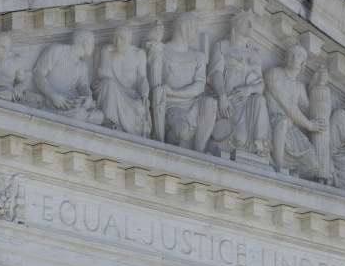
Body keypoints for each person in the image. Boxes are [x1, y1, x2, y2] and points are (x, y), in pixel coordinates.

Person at [150, 13, 218, 152]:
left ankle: (199, 151)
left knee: (210, 103)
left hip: (192, 104)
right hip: (171, 106)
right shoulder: (163, 51)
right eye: (193, 28)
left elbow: (200, 86)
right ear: (183, 27)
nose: (195, 32)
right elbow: (153, 82)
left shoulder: (198, 56)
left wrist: (174, 92)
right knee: (182, 132)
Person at [209, 11, 270, 159]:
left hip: (246, 101)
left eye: (251, 23)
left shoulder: (254, 54)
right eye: (246, 22)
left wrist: (248, 89)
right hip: (227, 101)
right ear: (236, 25)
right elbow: (215, 73)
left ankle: (261, 147)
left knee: (260, 100)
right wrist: (222, 95)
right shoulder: (222, 46)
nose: (250, 26)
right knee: (239, 138)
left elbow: (260, 86)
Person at [264, 45, 326, 176]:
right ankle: (278, 165)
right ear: (285, 58)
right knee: (282, 122)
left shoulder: (299, 87)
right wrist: (309, 125)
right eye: (291, 54)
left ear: (303, 63)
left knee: (312, 162)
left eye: (298, 56)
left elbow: (308, 112)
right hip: (271, 121)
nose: (293, 58)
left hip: (291, 129)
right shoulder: (274, 74)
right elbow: (287, 105)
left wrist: (316, 86)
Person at [31, 30, 102, 124]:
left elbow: (83, 86)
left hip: (71, 102)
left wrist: (87, 97)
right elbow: (38, 74)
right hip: (51, 100)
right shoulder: (57, 50)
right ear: (85, 43)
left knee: (99, 116)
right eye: (92, 44)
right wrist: (53, 95)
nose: (94, 47)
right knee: (79, 115)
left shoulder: (82, 66)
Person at [94, 25, 151, 137]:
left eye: (122, 39)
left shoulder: (139, 54)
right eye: (115, 38)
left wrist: (145, 94)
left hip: (130, 95)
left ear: (130, 40)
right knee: (109, 84)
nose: (118, 42)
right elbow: (103, 74)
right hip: (111, 90)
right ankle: (110, 121)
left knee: (139, 107)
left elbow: (142, 78)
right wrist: (111, 56)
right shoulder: (107, 51)